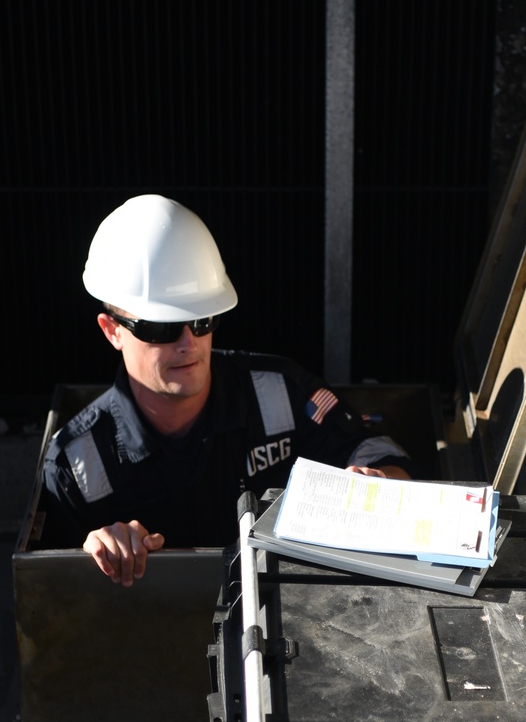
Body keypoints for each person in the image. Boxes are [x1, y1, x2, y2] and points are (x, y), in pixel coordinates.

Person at [40, 195, 411, 583]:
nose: (188, 343)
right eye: (161, 327)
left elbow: (376, 451)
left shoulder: (280, 393)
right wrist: (92, 550)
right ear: (112, 330)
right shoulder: (77, 467)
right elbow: (52, 594)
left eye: (202, 320)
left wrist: (380, 483)